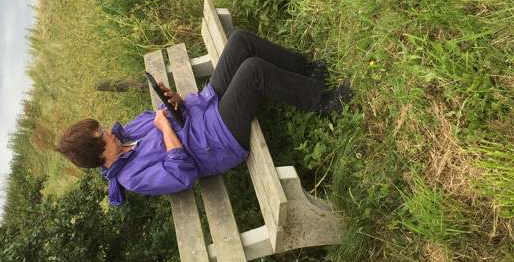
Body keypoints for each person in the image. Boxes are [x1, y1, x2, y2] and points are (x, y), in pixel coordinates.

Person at [57, 29, 352, 205]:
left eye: (102, 127)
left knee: (239, 43)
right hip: (217, 140)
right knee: (252, 72)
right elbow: (182, 175)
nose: (109, 131)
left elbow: (171, 114)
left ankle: (307, 70)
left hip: (205, 107)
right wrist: (167, 130)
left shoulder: (127, 133)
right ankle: (326, 103)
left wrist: (176, 100)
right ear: (99, 155)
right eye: (102, 135)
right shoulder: (133, 178)